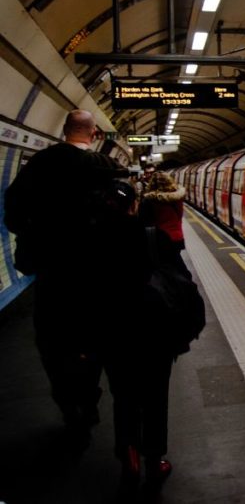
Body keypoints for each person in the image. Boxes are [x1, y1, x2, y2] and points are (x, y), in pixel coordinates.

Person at [3, 109, 123, 445]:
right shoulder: (105, 167)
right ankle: (89, 396)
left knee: (53, 342)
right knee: (95, 339)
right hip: (98, 279)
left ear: (64, 130)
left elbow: (12, 213)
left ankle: (69, 405)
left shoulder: (38, 165)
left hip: (53, 277)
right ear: (95, 133)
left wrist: (38, 233)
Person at [95, 180, 177, 491]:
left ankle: (128, 457)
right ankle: (155, 462)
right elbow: (181, 287)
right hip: (154, 334)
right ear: (134, 205)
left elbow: (80, 294)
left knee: (124, 397)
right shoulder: (153, 237)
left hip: (112, 335)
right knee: (156, 398)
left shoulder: (89, 241)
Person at [139, 171, 189, 277]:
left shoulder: (149, 200)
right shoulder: (177, 198)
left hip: (159, 238)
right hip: (177, 237)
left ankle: (172, 286)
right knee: (176, 262)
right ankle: (181, 283)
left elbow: (145, 221)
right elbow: (179, 216)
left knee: (165, 266)